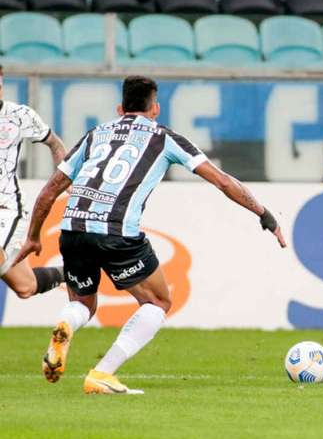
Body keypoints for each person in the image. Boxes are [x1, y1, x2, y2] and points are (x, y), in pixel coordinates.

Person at [15, 75, 286, 395]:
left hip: (72, 228)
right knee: (158, 300)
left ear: (120, 108)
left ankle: (66, 326)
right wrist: (264, 214)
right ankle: (102, 373)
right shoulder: (165, 137)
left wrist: (33, 236)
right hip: (117, 233)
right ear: (155, 108)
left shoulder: (95, 135)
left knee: (84, 304)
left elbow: (49, 192)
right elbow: (223, 182)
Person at [0, 65, 69, 299]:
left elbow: (55, 144)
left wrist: (66, 182)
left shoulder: (19, 115)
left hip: (6, 209)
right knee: (25, 287)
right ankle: (71, 272)